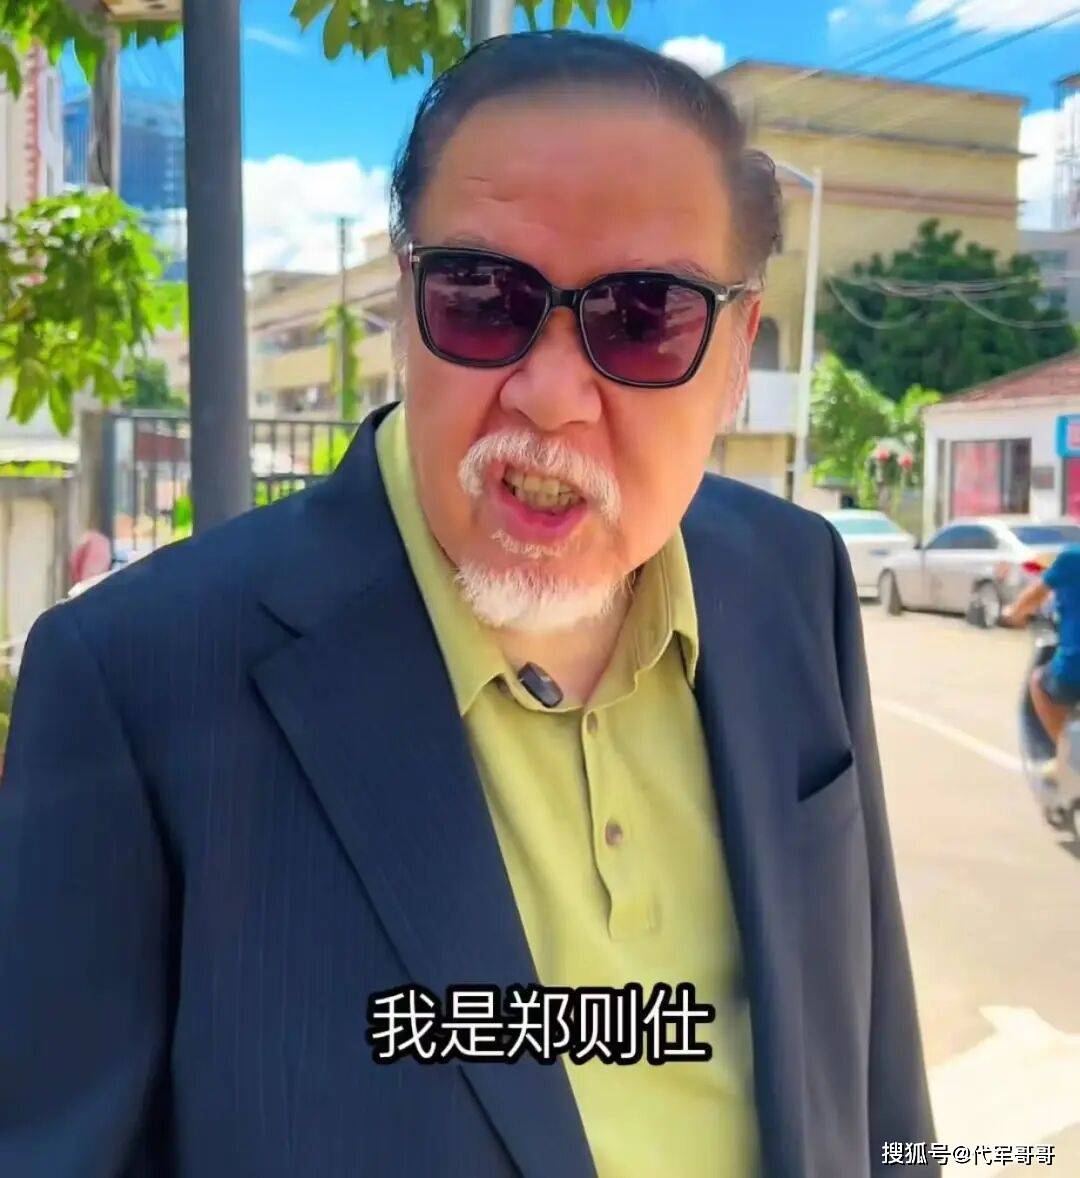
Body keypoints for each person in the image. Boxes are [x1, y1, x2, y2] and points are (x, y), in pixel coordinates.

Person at [0, 31, 936, 1178]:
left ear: (738, 349)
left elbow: (876, 1069)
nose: (550, 395)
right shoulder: (136, 680)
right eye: (483, 297)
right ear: (406, 302)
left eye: (645, 315)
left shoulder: (793, 580)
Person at [1003, 544, 1080, 748]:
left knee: (1038, 681)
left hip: (1074, 669)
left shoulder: (1072, 557)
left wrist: (1014, 614)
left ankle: (1066, 752)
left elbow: (1033, 596)